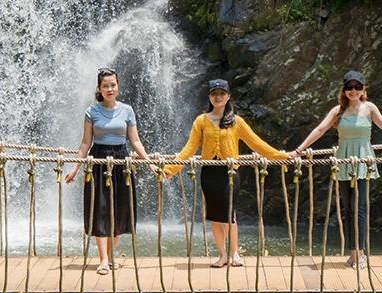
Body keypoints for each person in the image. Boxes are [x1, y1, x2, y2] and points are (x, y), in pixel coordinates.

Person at [294, 70, 382, 269]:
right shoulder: (338, 111)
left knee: (359, 208)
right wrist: (300, 150)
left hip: (362, 161)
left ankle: (360, 254)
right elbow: (320, 129)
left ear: (363, 89)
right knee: (348, 208)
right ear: (344, 90)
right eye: (349, 87)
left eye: (357, 87)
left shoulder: (369, 108)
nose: (353, 90)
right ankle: (353, 253)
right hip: (343, 161)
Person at [162, 78, 289, 268]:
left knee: (230, 215)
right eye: (214, 94)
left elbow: (256, 143)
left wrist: (280, 157)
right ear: (210, 97)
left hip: (230, 173)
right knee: (214, 215)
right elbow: (189, 149)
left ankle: (234, 253)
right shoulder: (201, 121)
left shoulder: (237, 122)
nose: (218, 97)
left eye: (222, 93)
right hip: (209, 173)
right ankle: (222, 255)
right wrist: (169, 169)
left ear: (228, 96)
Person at [64, 67, 155, 275]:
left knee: (119, 209)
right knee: (101, 209)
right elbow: (85, 143)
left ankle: (111, 254)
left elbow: (136, 141)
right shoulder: (92, 112)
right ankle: (103, 259)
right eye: (105, 86)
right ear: (99, 88)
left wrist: (149, 163)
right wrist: (75, 168)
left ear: (118, 87)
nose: (109, 88)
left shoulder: (127, 110)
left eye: (113, 85)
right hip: (98, 161)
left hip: (122, 161)